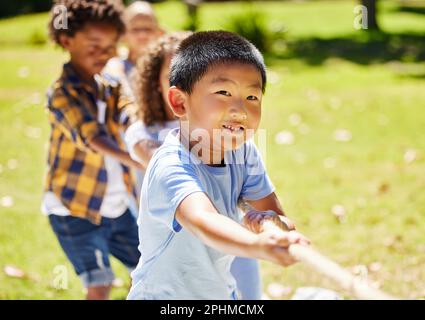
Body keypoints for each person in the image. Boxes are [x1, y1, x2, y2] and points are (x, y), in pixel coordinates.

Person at [127, 31, 310, 300]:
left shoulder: (244, 153)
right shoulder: (170, 164)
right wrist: (258, 244)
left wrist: (278, 229)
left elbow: (274, 214)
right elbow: (203, 220)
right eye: (223, 92)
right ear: (179, 102)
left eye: (252, 97)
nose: (239, 110)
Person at [44, 0, 143, 300]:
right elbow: (91, 136)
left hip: (115, 206)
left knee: (148, 268)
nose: (104, 53)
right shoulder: (62, 93)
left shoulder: (111, 85)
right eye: (95, 44)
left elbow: (130, 112)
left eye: (111, 46)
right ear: (66, 40)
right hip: (75, 209)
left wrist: (145, 134)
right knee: (100, 283)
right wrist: (135, 158)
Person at [103, 1, 164, 98]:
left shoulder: (165, 68)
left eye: (148, 29)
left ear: (159, 32)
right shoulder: (115, 67)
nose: (142, 35)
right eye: (135, 29)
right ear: (122, 34)